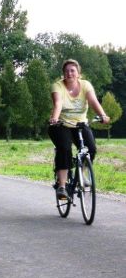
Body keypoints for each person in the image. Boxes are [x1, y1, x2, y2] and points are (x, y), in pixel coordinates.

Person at [48, 59, 110, 200]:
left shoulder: (85, 85)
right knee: (64, 149)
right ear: (63, 73)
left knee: (91, 149)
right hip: (61, 125)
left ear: (78, 73)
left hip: (80, 124)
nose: (69, 73)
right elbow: (58, 103)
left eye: (72, 70)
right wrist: (55, 118)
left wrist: (102, 115)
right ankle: (62, 187)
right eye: (66, 71)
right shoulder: (57, 86)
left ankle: (83, 173)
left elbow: (93, 101)